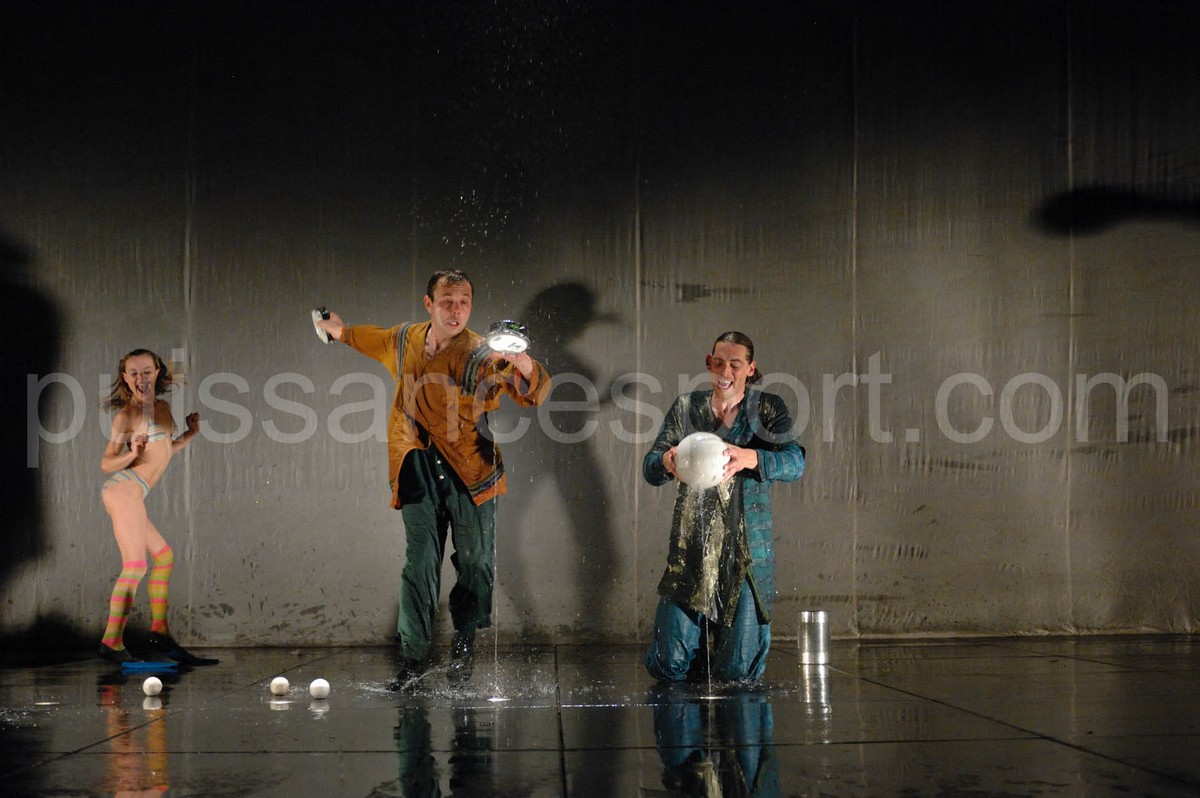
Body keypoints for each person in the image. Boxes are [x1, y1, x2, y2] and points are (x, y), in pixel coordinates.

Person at [317, 269, 552, 686]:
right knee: (421, 562)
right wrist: (337, 330)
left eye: (463, 302)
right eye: (447, 301)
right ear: (429, 304)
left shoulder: (482, 354)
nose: (455, 310)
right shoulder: (405, 339)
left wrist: (524, 363)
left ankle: (464, 643)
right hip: (416, 464)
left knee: (476, 563)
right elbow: (369, 338)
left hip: (471, 470)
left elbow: (529, 389)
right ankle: (413, 659)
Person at [643, 332, 804, 683]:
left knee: (737, 672)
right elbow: (650, 468)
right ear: (708, 363)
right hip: (691, 552)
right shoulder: (687, 407)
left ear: (750, 368)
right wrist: (667, 462)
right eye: (718, 363)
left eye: (735, 364)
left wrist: (751, 457)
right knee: (669, 663)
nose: (725, 372)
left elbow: (795, 463)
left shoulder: (766, 409)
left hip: (746, 559)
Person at [99, 349, 217, 665]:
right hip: (123, 490)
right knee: (136, 565)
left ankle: (159, 633)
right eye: (133, 373)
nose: (141, 378)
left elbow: (164, 451)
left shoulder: (162, 408)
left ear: (157, 372)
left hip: (135, 493)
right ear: (125, 379)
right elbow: (106, 463)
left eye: (146, 371)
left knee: (163, 557)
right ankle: (111, 641)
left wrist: (190, 434)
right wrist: (130, 453)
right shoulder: (127, 416)